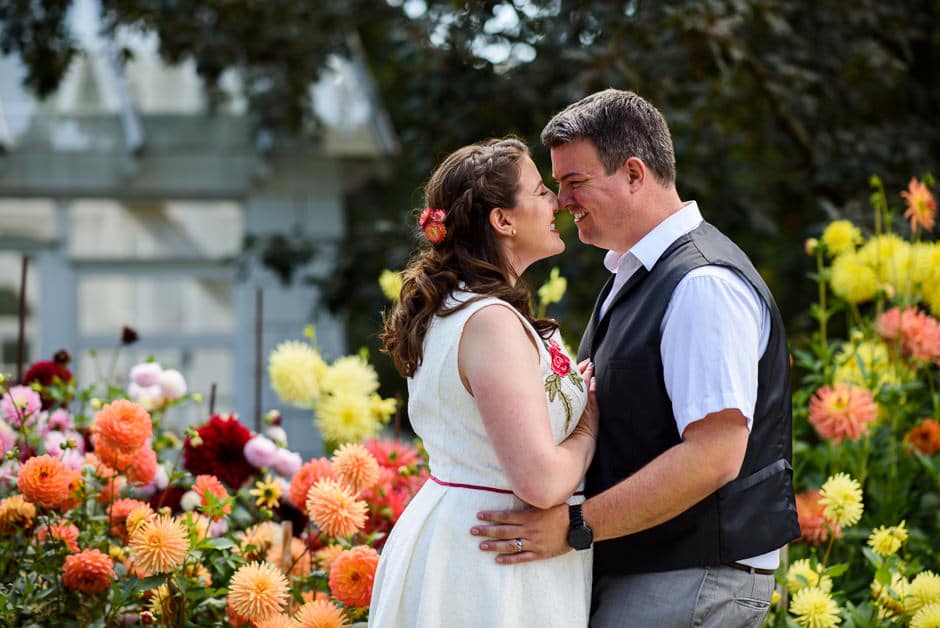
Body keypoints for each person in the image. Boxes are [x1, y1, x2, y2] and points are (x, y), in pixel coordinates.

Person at [470, 89, 800, 627]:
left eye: (574, 182)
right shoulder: (637, 273)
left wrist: (576, 524)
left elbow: (715, 455)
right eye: (555, 186)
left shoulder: (702, 284)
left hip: (690, 578)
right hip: (659, 573)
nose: (560, 200)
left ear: (632, 173)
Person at [369, 137, 599, 628]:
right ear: (503, 220)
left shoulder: (461, 310)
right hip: (491, 560)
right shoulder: (489, 321)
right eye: (540, 192)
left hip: (479, 539)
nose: (556, 202)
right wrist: (587, 430)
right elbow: (540, 482)